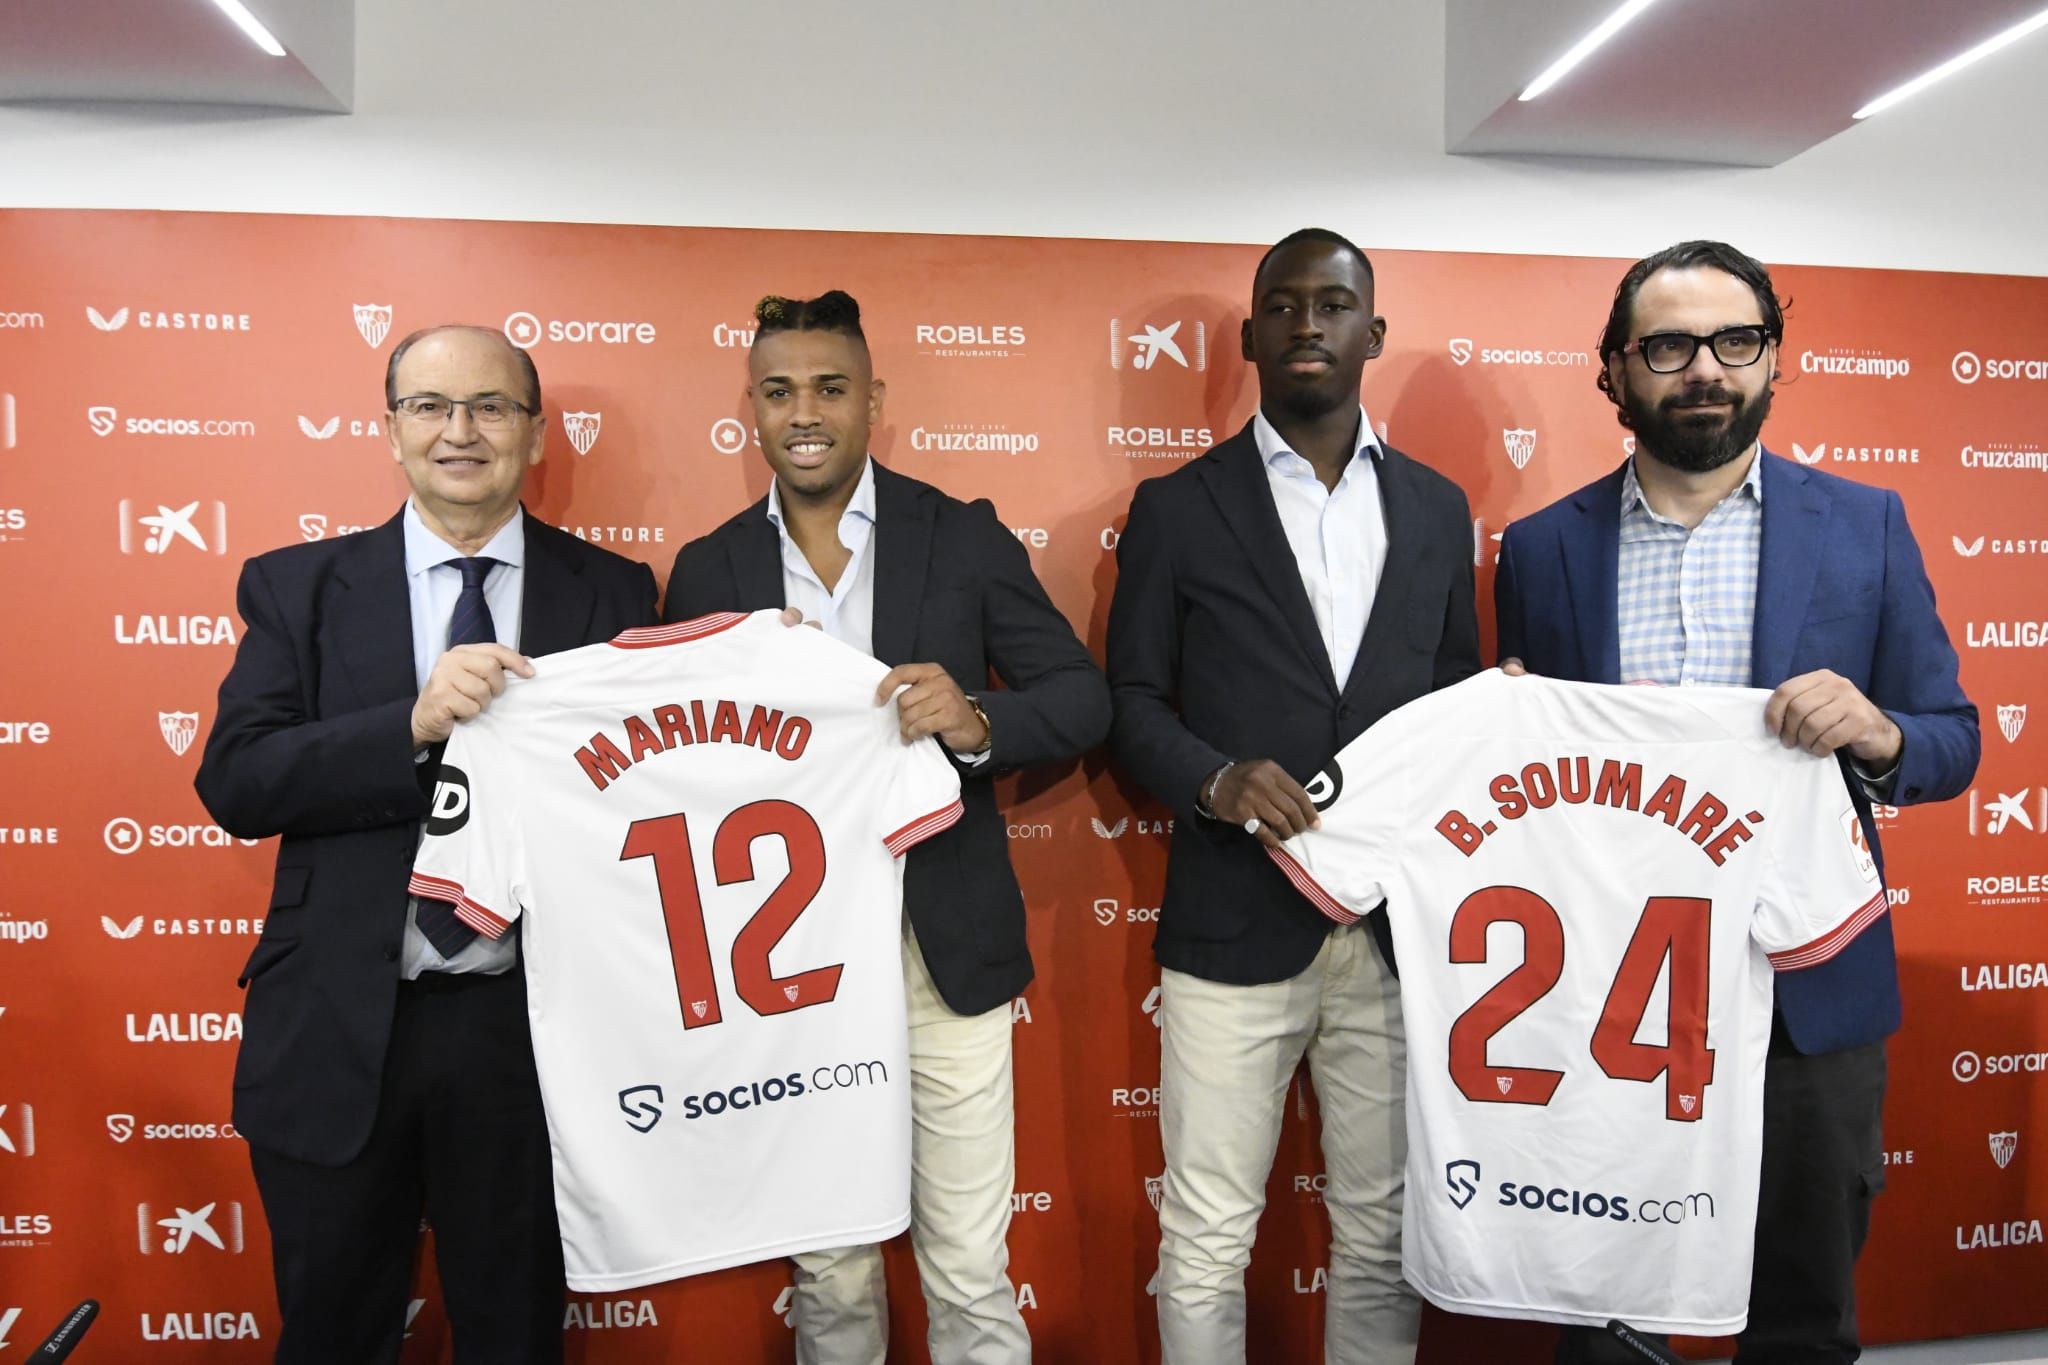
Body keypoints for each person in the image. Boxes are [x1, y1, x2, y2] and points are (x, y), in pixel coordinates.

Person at [1494, 240, 1979, 1365]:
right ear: (1611, 372)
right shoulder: (1540, 549)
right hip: (1604, 994)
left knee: (1802, 1314)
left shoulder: (1863, 526)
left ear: (1772, 359)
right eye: (1665, 346)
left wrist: (1876, 729)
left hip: (1804, 984)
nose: (1702, 368)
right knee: (1602, 1312)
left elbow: (1950, 743)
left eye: (1733, 341)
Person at [662, 290, 1110, 1365]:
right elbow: (668, 776)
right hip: (785, 969)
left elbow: (1082, 700)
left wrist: (977, 719)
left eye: (828, 387)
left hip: (939, 949)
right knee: (829, 1272)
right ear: (751, 410)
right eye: (778, 391)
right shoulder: (708, 568)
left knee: (967, 1266)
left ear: (873, 400)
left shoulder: (959, 536)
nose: (803, 411)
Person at [195, 325, 658, 1364]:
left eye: (492, 407)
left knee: (514, 1335)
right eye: (430, 407)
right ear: (392, 428)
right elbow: (237, 780)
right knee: (331, 1335)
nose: (462, 431)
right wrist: (407, 724)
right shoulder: (295, 587)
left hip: (530, 1037)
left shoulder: (615, 592)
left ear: (535, 435)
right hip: (337, 1031)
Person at [1106, 227, 1481, 1365]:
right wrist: (1214, 780)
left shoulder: (1433, 508)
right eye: (1283, 305)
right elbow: (1128, 702)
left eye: (1331, 305)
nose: (1306, 324)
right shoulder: (1175, 508)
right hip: (1230, 926)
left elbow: (1456, 704)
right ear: (1248, 334)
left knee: (1377, 1233)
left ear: (1373, 331)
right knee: (1207, 1235)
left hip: (1392, 936)